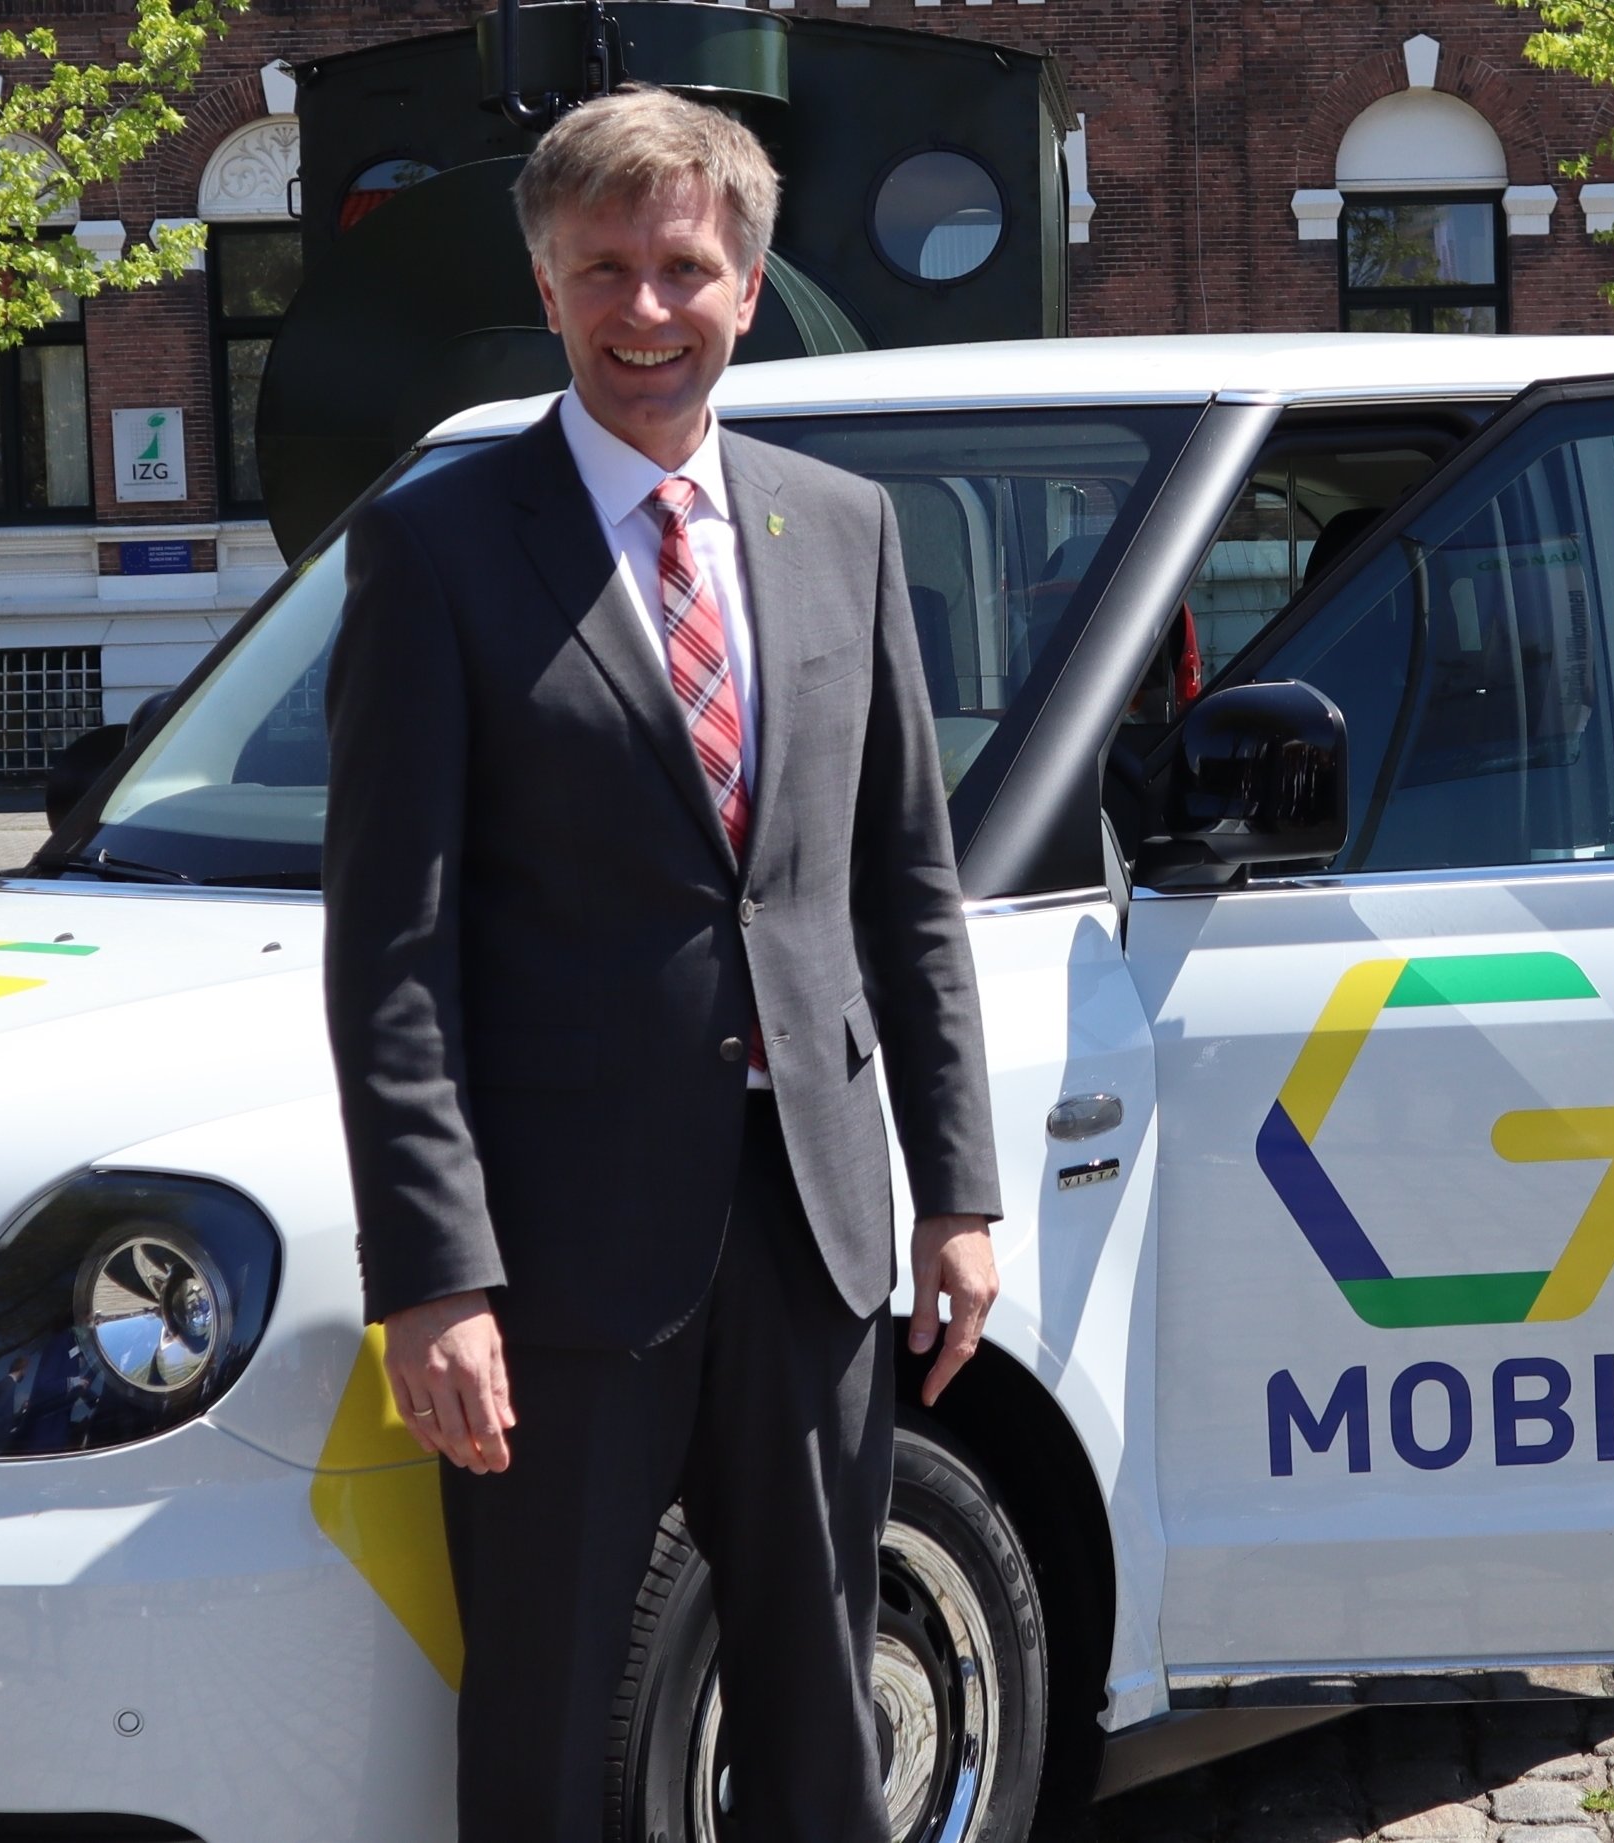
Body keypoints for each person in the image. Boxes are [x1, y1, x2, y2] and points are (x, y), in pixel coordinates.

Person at [316, 86, 1002, 1839]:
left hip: (815, 1235)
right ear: (544, 284)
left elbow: (902, 887)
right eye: (602, 266)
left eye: (682, 266)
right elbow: (392, 949)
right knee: (545, 1733)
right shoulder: (439, 543)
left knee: (818, 1721)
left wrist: (956, 1191)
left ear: (747, 287)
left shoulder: (841, 530)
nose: (644, 308)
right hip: (555, 1272)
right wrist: (434, 1274)